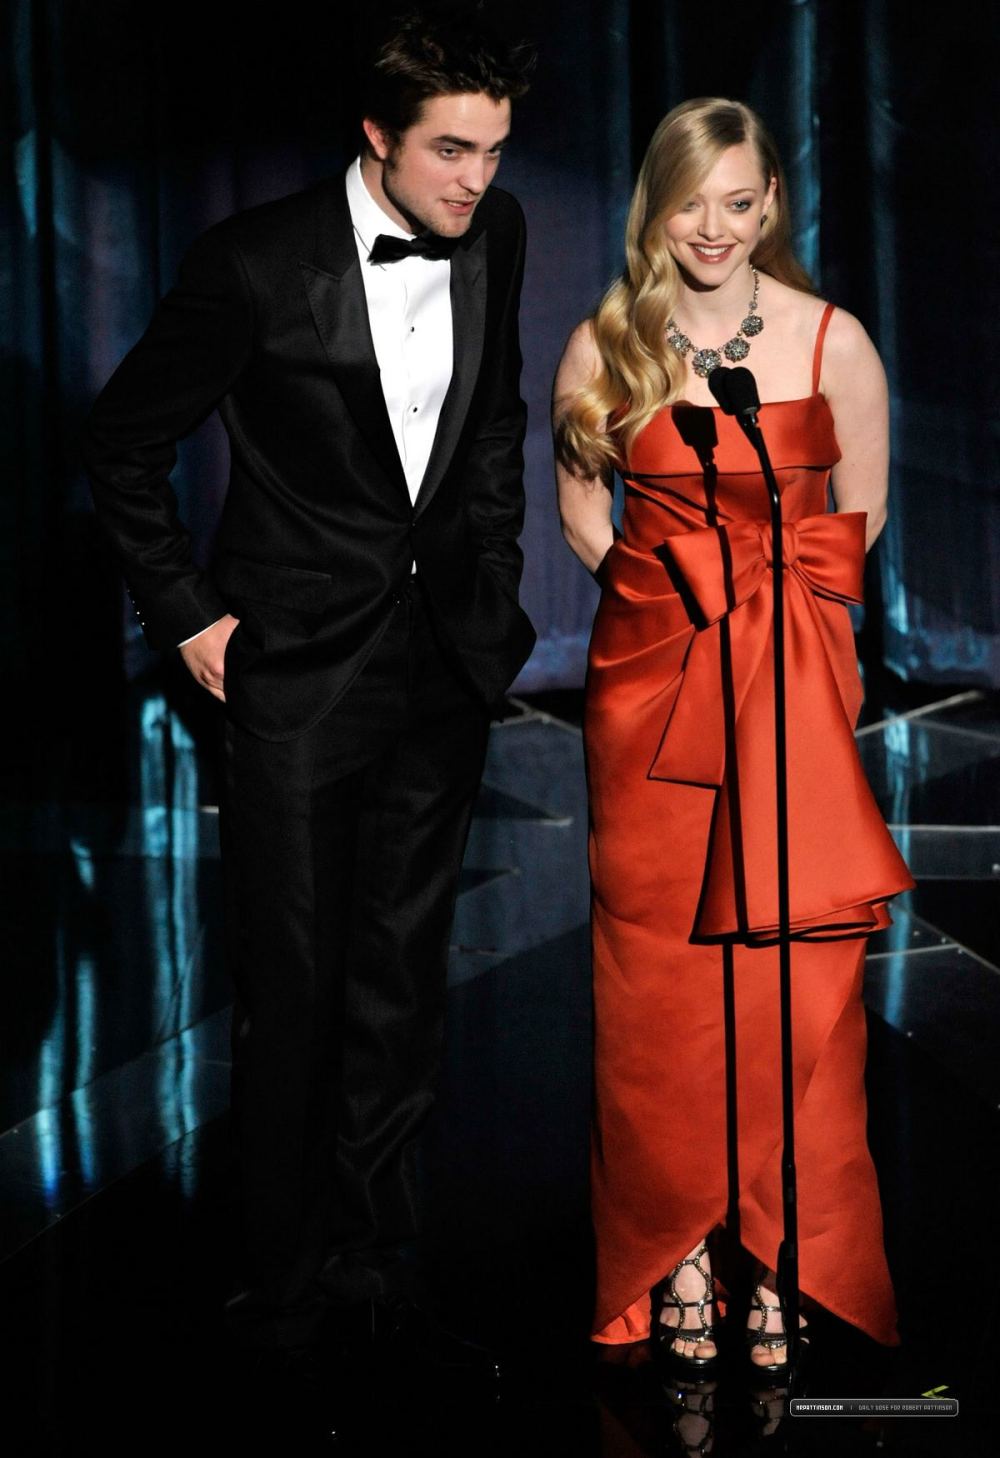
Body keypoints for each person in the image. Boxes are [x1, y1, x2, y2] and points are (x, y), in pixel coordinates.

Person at [83, 8, 536, 1365]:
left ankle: (372, 1249)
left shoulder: (498, 235)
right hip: (292, 669)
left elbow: (494, 417)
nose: (476, 180)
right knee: (292, 976)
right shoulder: (253, 263)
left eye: (495, 152)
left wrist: (492, 578)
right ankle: (278, 1269)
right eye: (450, 150)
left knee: (402, 972)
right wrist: (187, 614)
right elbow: (121, 442)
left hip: (440, 662)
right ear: (377, 135)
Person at [553, 97, 913, 1378]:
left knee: (789, 966)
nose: (714, 227)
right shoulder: (605, 343)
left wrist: (771, 625)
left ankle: (783, 1246)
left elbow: (857, 519)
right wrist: (671, 611)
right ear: (654, 207)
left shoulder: (833, 339)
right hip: (651, 696)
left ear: (770, 205)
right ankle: (674, 1248)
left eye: (739, 201)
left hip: (790, 691)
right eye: (689, 203)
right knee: (656, 981)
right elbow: (583, 518)